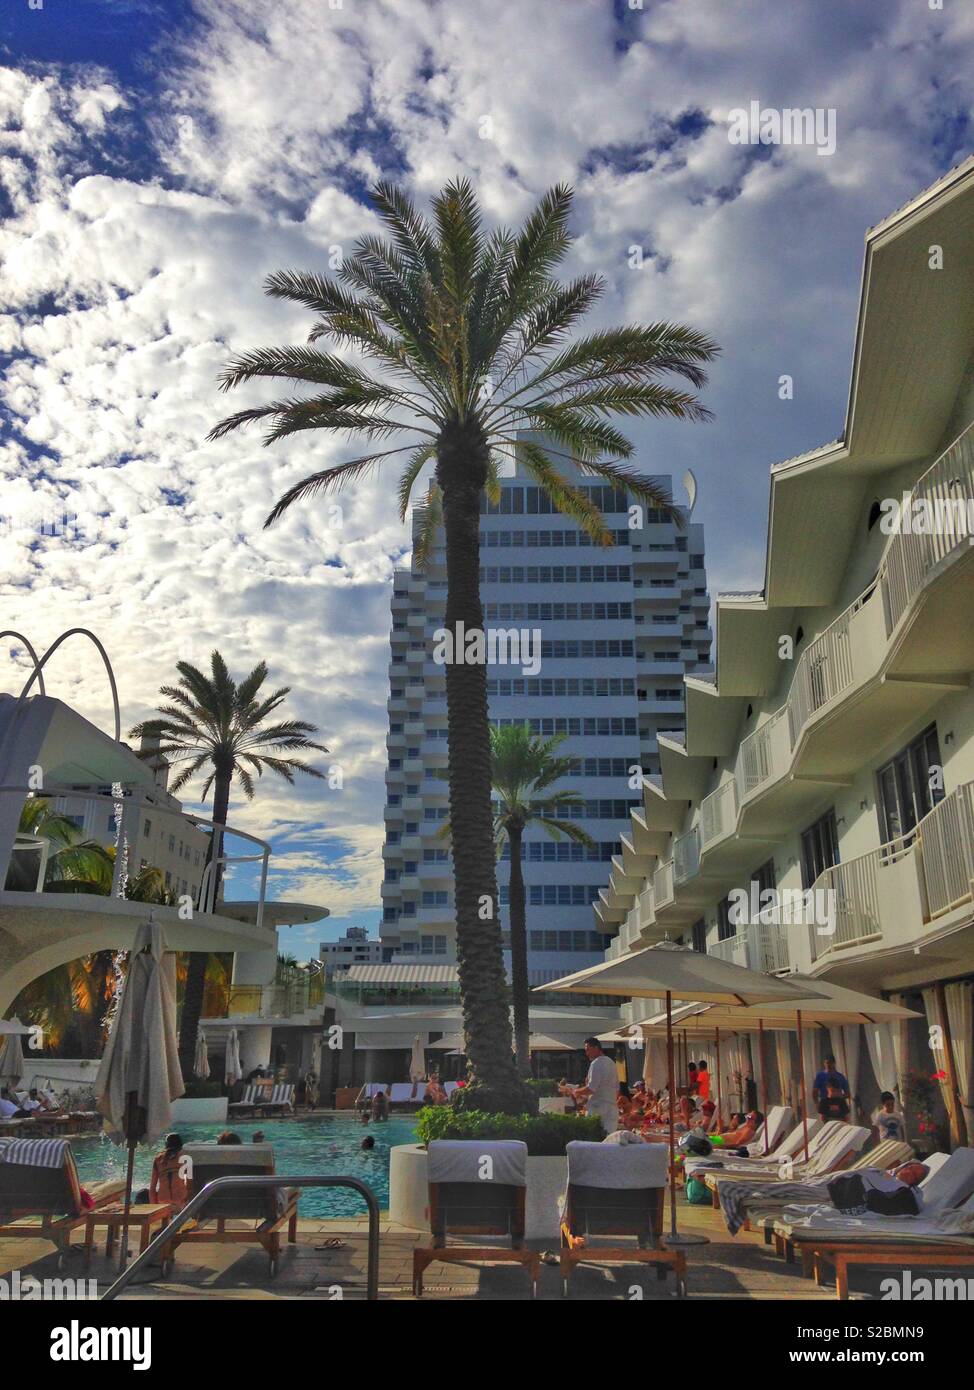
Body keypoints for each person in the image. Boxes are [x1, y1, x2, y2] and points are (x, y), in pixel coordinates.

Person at [562, 1038, 619, 1136]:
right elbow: (617, 1090)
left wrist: (576, 1092)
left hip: (598, 1110)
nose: (586, 1053)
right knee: (610, 1143)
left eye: (588, 1049)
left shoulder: (596, 1063)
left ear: (596, 1048)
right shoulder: (612, 1063)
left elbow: (591, 1088)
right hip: (612, 1109)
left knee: (595, 1142)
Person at [146, 1133, 190, 1210]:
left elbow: (152, 1188)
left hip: (163, 1201)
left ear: (166, 1145)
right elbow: (190, 1185)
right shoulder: (185, 1158)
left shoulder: (158, 1159)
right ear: (180, 1145)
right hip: (180, 1201)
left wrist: (153, 1208)